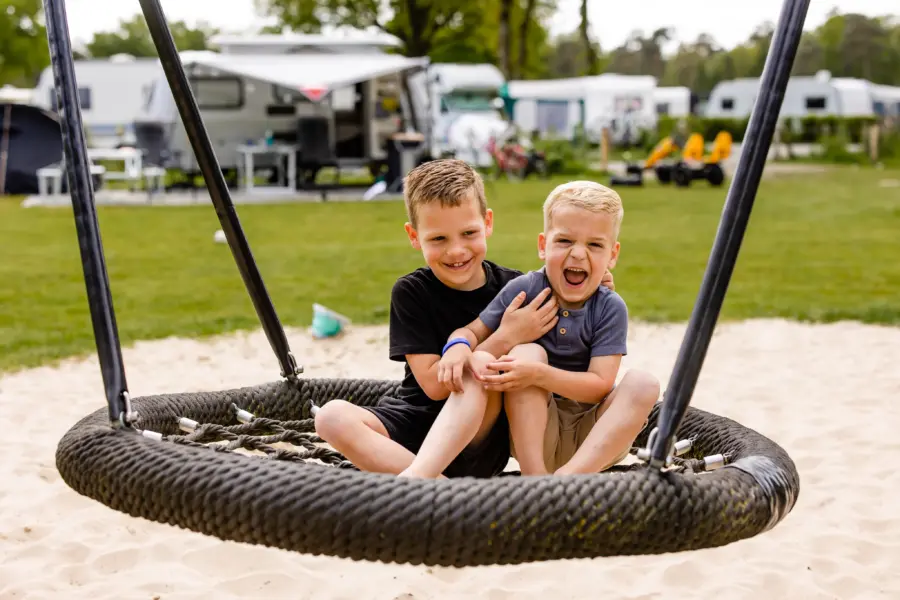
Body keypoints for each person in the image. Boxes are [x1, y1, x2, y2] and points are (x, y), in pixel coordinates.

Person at [313, 159, 615, 478]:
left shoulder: (517, 290)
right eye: (438, 239)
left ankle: (419, 483)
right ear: (414, 236)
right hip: (413, 424)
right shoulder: (411, 292)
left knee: (478, 366)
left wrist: (592, 290)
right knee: (330, 417)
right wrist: (506, 337)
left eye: (468, 233)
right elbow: (434, 386)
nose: (456, 251)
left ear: (487, 223)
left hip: (479, 438)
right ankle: (436, 487)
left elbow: (571, 341)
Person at [437, 180, 660, 476]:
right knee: (526, 353)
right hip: (538, 432)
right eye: (565, 241)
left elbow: (599, 386)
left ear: (612, 255)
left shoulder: (609, 307)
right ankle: (535, 475)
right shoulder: (525, 290)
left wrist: (539, 375)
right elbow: (471, 331)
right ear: (543, 246)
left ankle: (569, 479)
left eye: (595, 245)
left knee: (644, 384)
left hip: (594, 439)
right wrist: (457, 346)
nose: (578, 254)